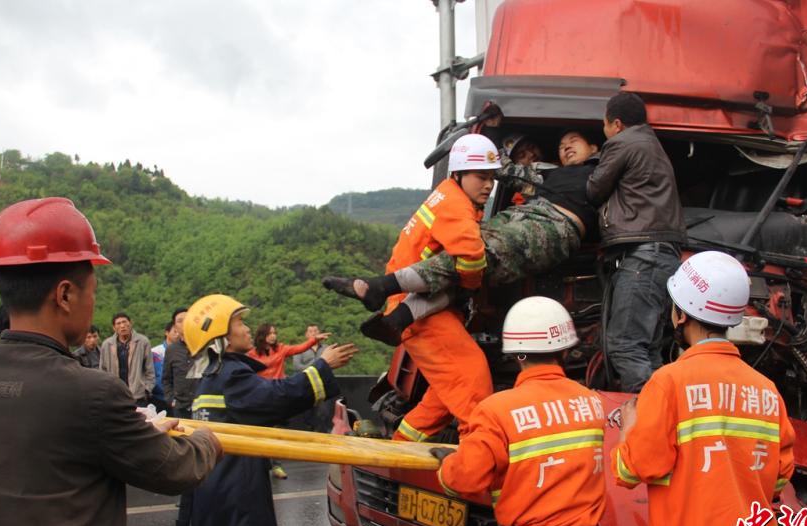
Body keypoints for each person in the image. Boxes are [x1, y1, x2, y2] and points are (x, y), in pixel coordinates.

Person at [0, 197, 221, 526]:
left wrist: (133, 432)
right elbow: (176, 468)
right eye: (92, 291)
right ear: (65, 294)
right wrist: (209, 439)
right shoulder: (92, 393)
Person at [610, 251, 795, 526]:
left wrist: (628, 428)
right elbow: (777, 481)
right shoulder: (767, 392)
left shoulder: (669, 383)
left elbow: (631, 470)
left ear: (679, 315)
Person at [324, 126, 601, 347]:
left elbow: (633, 158)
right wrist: (484, 134)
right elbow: (505, 170)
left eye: (574, 140)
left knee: (479, 255)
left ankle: (379, 287)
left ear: (595, 148)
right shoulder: (548, 175)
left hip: (555, 224)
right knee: (462, 267)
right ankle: (396, 321)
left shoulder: (600, 172)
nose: (566, 146)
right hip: (522, 216)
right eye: (562, 144)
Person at [172, 294, 358, 526]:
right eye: (240, 323)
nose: (247, 329)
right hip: (235, 497)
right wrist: (322, 366)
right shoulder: (231, 376)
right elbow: (277, 397)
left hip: (215, 492)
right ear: (222, 338)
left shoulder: (211, 378)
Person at [432, 297, 610, 526]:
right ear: (565, 349)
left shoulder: (496, 411)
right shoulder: (591, 401)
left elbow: (464, 478)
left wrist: (445, 465)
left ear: (516, 355)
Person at [332, 133, 499, 442]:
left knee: (445, 395)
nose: (488, 185)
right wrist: (471, 285)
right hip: (419, 311)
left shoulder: (447, 195)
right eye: (481, 176)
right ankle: (481, 465)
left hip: (412, 307)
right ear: (459, 173)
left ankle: (400, 450)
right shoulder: (455, 205)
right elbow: (472, 257)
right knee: (472, 379)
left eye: (492, 178)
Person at [587, 91, 687, 392]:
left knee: (625, 345)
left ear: (616, 124)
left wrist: (588, 164)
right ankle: (667, 419)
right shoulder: (652, 144)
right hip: (662, 256)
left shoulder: (623, 142)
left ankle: (651, 422)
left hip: (643, 256)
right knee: (649, 349)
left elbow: (594, 189)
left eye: (604, 125)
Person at [99, 312, 156, 405]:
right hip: (114, 394)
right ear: (114, 327)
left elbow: (149, 369)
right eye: (118, 323)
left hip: (138, 395)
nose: (122, 326)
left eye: (124, 322)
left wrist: (147, 389)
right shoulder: (107, 345)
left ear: (130, 323)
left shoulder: (142, 342)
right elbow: (102, 370)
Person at [248, 323, 330, 379]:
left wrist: (314, 339)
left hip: (278, 387)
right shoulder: (252, 353)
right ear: (262, 335)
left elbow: (300, 348)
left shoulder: (280, 348)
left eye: (274, 333)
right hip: (262, 388)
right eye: (269, 334)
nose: (273, 336)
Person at [163, 307, 197, 419]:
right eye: (180, 321)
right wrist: (171, 399)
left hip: (201, 405)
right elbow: (166, 379)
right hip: (180, 407)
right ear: (175, 327)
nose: (184, 323)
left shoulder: (203, 345)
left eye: (187, 319)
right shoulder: (171, 350)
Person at [151, 320, 179, 411]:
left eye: (179, 331)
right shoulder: (155, 352)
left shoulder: (183, 352)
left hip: (178, 399)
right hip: (159, 398)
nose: (178, 334)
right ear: (167, 332)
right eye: (175, 331)